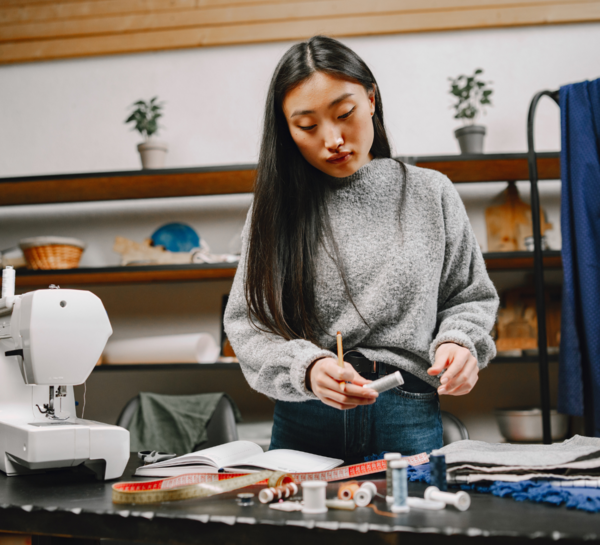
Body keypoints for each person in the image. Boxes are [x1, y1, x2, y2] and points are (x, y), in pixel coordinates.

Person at [224, 35, 498, 463]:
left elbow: (470, 296)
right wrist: (309, 369)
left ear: (371, 99)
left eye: (345, 113)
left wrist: (460, 343)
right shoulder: (273, 209)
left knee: (411, 528)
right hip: (306, 419)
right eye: (307, 126)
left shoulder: (430, 192)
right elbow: (249, 324)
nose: (332, 139)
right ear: (287, 130)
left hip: (407, 414)